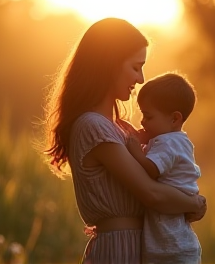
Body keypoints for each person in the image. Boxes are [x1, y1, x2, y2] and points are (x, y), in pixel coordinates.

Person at [42, 17, 206, 264]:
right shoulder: (93, 127)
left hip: (142, 246)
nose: (141, 79)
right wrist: (193, 203)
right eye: (136, 67)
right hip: (118, 250)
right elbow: (151, 193)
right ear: (109, 64)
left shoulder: (121, 129)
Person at [127, 72, 202, 264]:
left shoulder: (168, 143)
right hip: (175, 244)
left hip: (173, 248)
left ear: (174, 119)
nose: (142, 121)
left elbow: (152, 169)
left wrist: (136, 150)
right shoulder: (174, 140)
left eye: (148, 116)